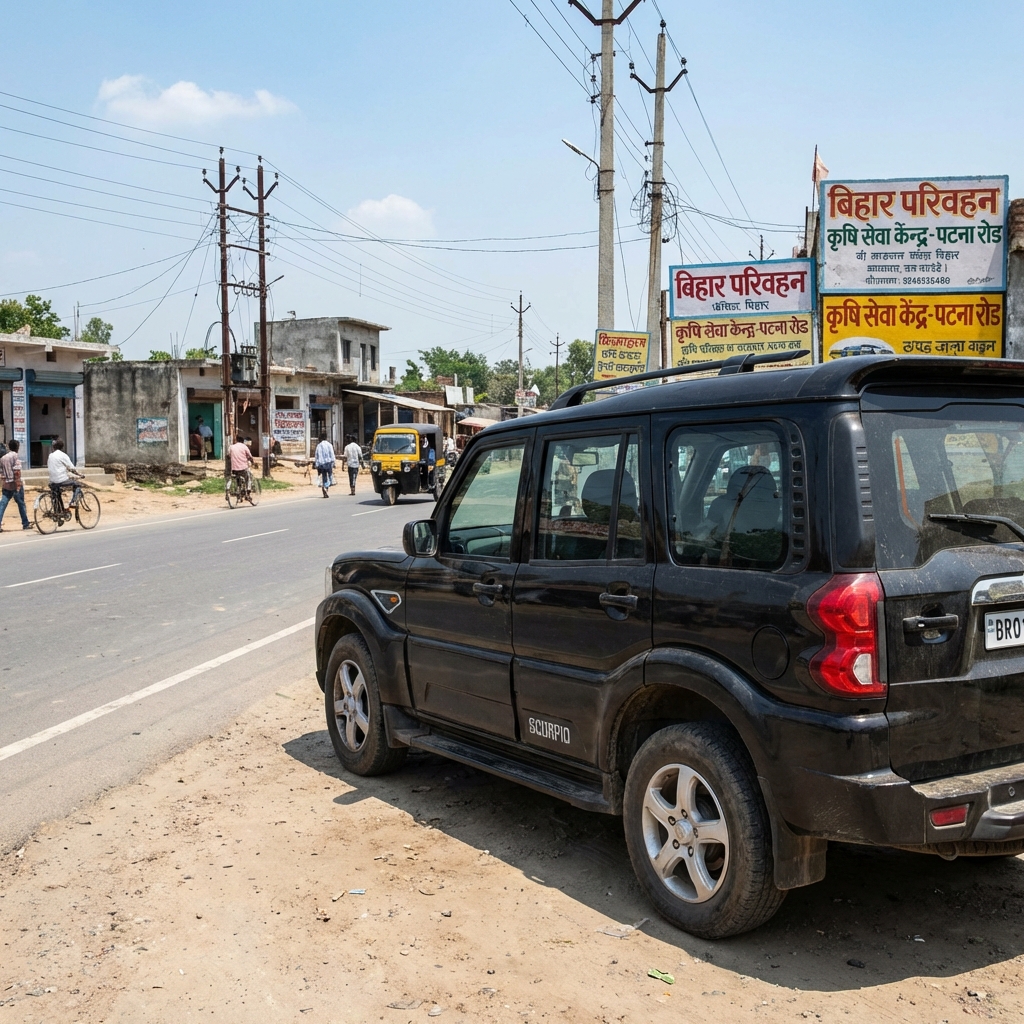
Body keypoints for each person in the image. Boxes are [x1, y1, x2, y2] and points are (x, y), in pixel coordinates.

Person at [0, 439, 32, 532]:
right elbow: (17, 471)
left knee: (2, 504)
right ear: (17, 447)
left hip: (6, 484)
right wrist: (18, 485)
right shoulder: (15, 456)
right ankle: (25, 523)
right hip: (14, 484)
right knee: (21, 504)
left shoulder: (3, 458)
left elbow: (1, 473)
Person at [48, 438, 84, 510]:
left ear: (53, 447)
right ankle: (73, 502)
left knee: (57, 493)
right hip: (61, 480)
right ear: (62, 447)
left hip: (52, 481)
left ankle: (59, 511)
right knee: (77, 484)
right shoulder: (63, 455)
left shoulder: (50, 455)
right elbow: (72, 468)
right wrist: (79, 475)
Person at [314, 432, 336, 498]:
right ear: (326, 438)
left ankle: (324, 487)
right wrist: (333, 463)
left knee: (323, 477)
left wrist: (316, 464)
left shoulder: (318, 445)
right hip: (328, 463)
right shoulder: (329, 445)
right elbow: (332, 454)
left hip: (321, 464)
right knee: (330, 476)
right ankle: (326, 488)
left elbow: (316, 456)